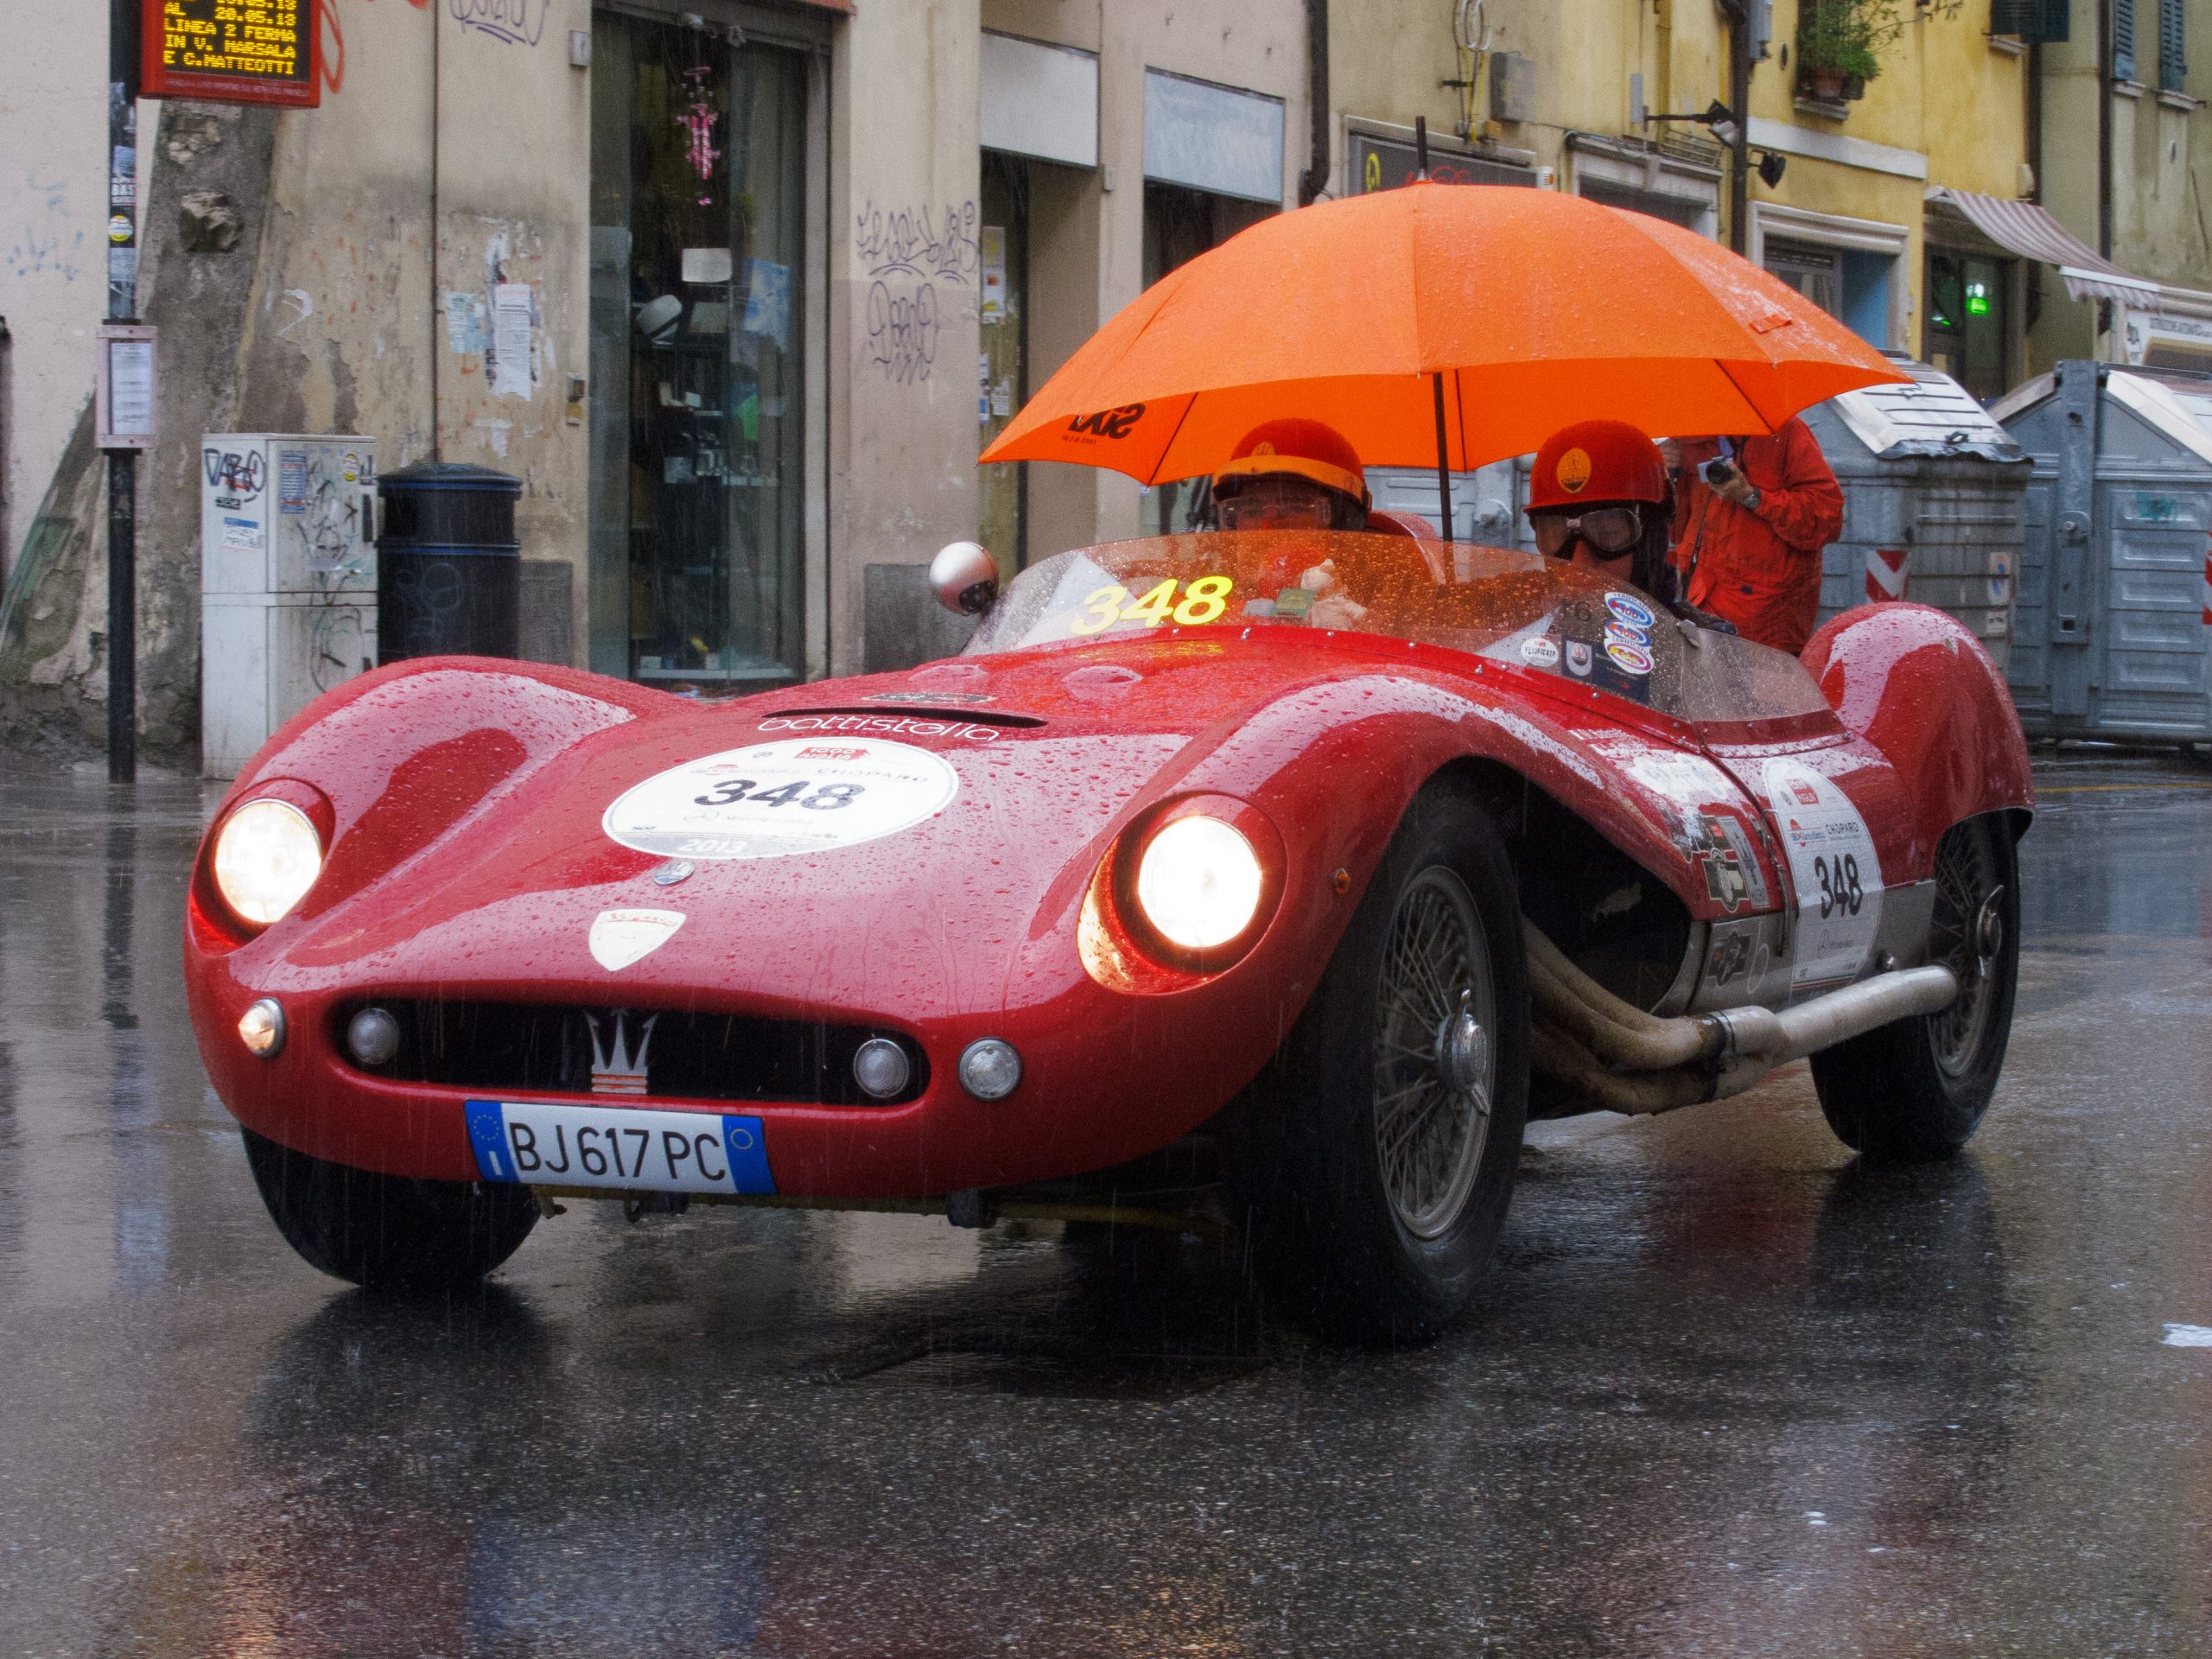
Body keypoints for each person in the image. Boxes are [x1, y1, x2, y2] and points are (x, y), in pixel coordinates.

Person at [1661, 417, 1844, 654]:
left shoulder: (1785, 433)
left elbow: (1825, 520)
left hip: (1766, 627)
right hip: (1702, 609)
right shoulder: (1689, 440)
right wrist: (1669, 474)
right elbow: (1676, 531)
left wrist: (1751, 496)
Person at [1209, 419, 1373, 531]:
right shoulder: (1209, 581)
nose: (1266, 529)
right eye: (1252, 512)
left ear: (1343, 522)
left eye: (1295, 508)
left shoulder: (1383, 581)